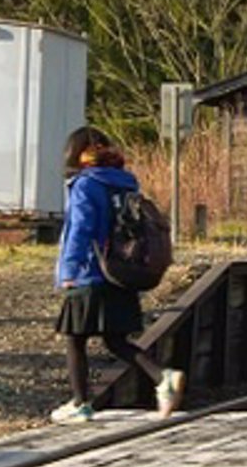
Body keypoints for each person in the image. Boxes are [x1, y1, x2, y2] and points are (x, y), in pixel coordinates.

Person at [51, 126, 184, 423]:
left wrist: (69, 269)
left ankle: (80, 403)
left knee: (74, 338)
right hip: (121, 272)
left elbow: (80, 229)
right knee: (117, 340)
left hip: (89, 273)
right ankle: (162, 376)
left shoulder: (85, 185)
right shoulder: (126, 184)